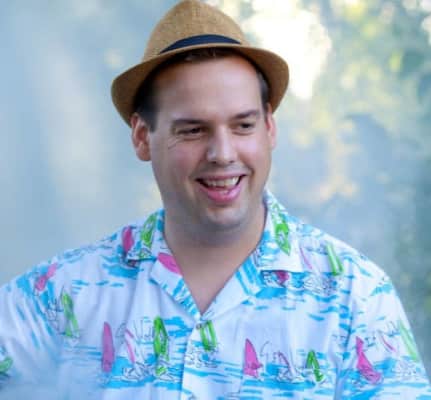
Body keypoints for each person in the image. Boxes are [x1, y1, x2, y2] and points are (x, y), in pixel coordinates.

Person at [0, 1, 430, 399]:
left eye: (243, 125)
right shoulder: (60, 296)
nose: (223, 154)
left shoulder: (355, 295)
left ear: (270, 129)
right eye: (193, 130)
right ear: (142, 137)